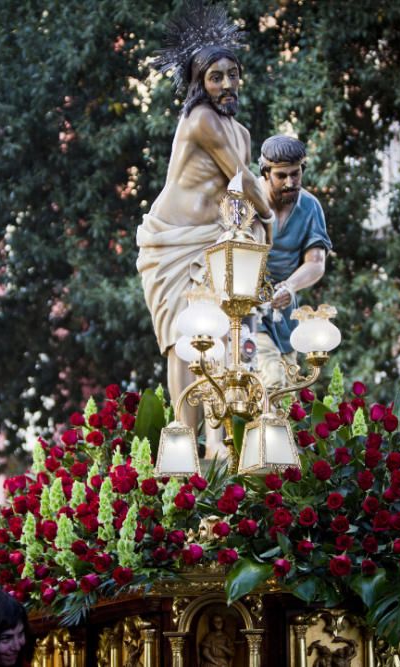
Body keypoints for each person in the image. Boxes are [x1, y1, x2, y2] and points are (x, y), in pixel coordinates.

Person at [138, 4, 274, 436]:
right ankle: (184, 441)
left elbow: (236, 197)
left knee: (220, 335)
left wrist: (251, 235)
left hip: (213, 241)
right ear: (201, 83)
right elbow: (242, 177)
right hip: (172, 243)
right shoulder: (200, 120)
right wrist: (270, 216)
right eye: (216, 77)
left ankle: (220, 438)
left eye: (232, 74)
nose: (227, 83)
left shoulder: (243, 132)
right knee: (183, 340)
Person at [255, 135, 332, 389]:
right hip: (249, 313)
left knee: (289, 391)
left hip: (286, 315)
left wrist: (289, 286)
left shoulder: (310, 207)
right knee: (271, 382)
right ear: (266, 173)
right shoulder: (246, 202)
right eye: (281, 175)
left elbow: (316, 262)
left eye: (295, 174)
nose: (290, 182)